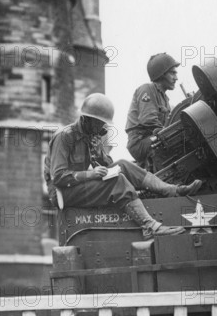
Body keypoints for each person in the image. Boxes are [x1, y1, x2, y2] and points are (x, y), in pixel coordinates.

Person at [44, 93, 202, 238]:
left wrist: (99, 152)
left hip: (77, 186)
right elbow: (58, 177)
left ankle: (172, 190)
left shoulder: (89, 136)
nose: (102, 127)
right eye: (99, 123)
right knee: (117, 181)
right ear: (87, 119)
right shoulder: (65, 137)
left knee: (124, 165)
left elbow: (108, 165)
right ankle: (150, 226)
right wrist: (91, 174)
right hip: (63, 193)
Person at [125, 53, 179, 168]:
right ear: (162, 74)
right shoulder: (147, 89)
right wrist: (169, 133)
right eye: (172, 73)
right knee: (171, 141)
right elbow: (148, 120)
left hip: (150, 139)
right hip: (139, 142)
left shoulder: (165, 99)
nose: (176, 78)